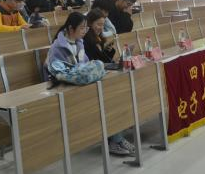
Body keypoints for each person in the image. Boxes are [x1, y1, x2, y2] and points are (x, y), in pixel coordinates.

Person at [82, 8, 136, 156]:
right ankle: (116, 141)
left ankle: (118, 138)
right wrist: (108, 59)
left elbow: (103, 60)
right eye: (98, 24)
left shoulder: (97, 38)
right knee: (113, 99)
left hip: (102, 74)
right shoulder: (87, 40)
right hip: (93, 80)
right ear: (90, 23)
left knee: (122, 92)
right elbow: (94, 61)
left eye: (102, 24)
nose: (101, 28)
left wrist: (110, 51)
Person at [44, 12, 88, 78]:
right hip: (62, 80)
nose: (84, 31)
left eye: (86, 28)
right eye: (82, 28)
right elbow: (57, 71)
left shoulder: (79, 43)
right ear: (71, 28)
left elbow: (86, 63)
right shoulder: (57, 47)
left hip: (77, 78)